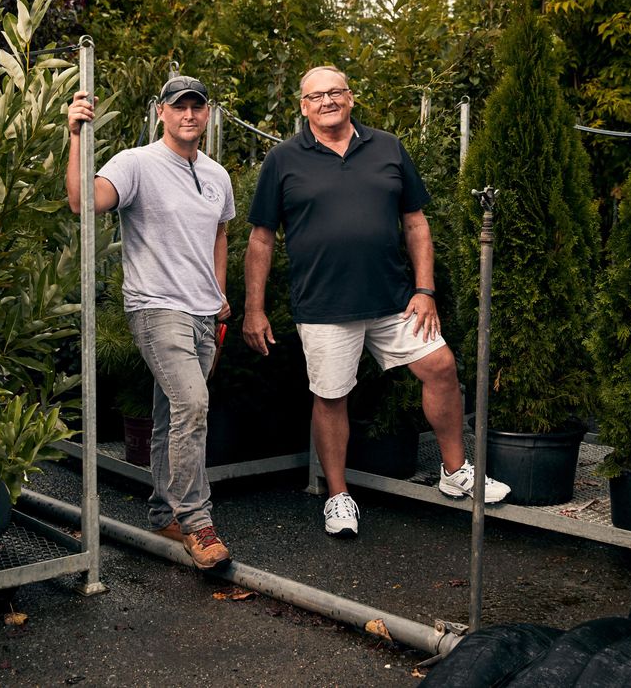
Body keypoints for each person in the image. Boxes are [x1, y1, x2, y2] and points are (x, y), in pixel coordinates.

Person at [243, 65, 510, 538]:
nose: (327, 101)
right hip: (324, 306)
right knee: (331, 397)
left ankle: (454, 473)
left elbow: (417, 223)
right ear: (303, 106)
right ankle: (339, 497)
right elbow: (261, 240)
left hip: (394, 301)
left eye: (336, 92)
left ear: (351, 98)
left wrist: (425, 290)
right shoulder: (283, 160)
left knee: (442, 366)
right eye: (316, 95)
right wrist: (254, 308)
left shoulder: (386, 147)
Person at [66, 75, 235, 568]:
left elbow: (220, 233)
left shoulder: (217, 175)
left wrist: (219, 291)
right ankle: (199, 524)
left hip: (204, 313)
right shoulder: (136, 163)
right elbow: (82, 203)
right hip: (156, 308)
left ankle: (165, 512)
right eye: (178, 106)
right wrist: (75, 136)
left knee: (171, 416)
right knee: (193, 404)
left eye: (197, 107)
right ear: (161, 111)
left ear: (207, 114)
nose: (188, 114)